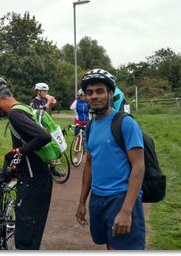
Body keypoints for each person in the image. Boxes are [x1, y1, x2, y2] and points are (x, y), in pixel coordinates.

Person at [0, 76, 53, 250]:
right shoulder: (24, 107)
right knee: (31, 234)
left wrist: (19, 152)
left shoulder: (14, 113)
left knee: (26, 239)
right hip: (38, 177)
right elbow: (28, 142)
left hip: (33, 182)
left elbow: (43, 136)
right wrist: (15, 161)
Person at [75, 69, 146, 250]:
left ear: (110, 94)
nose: (94, 96)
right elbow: (89, 163)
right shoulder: (90, 126)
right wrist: (82, 202)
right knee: (109, 245)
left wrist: (126, 210)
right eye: (89, 93)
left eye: (100, 91)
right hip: (98, 199)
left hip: (121, 198)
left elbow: (138, 166)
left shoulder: (125, 122)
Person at [69, 89, 90, 164]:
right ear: (79, 96)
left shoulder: (88, 102)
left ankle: (85, 147)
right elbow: (71, 107)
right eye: (82, 95)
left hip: (87, 122)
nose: (83, 97)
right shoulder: (76, 102)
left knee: (88, 139)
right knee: (77, 140)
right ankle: (75, 156)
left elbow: (92, 111)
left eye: (85, 95)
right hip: (78, 122)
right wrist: (76, 101)